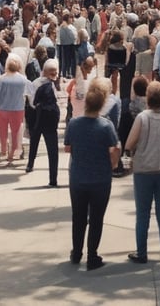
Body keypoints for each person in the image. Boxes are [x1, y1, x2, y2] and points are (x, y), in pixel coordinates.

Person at [64, 79, 120, 270]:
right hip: (100, 178)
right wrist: (113, 164)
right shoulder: (106, 126)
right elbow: (114, 149)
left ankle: (76, 251)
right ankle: (92, 255)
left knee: (78, 216)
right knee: (96, 218)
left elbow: (68, 148)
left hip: (78, 177)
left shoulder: (74, 123)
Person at [125, 80, 160, 265]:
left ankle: (142, 252)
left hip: (144, 170)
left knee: (143, 214)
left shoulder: (142, 118)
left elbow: (129, 143)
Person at [26, 58, 61, 186]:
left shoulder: (37, 83)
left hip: (38, 119)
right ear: (45, 71)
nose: (54, 74)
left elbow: (31, 102)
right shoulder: (45, 84)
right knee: (51, 150)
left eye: (55, 72)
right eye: (52, 72)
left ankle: (31, 164)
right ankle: (52, 178)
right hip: (46, 120)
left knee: (35, 143)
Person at [0, 55, 28, 166]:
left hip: (3, 108)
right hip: (18, 109)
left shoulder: (1, 79)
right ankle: (12, 152)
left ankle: (3, 150)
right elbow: (27, 94)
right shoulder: (23, 79)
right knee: (15, 132)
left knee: (2, 132)